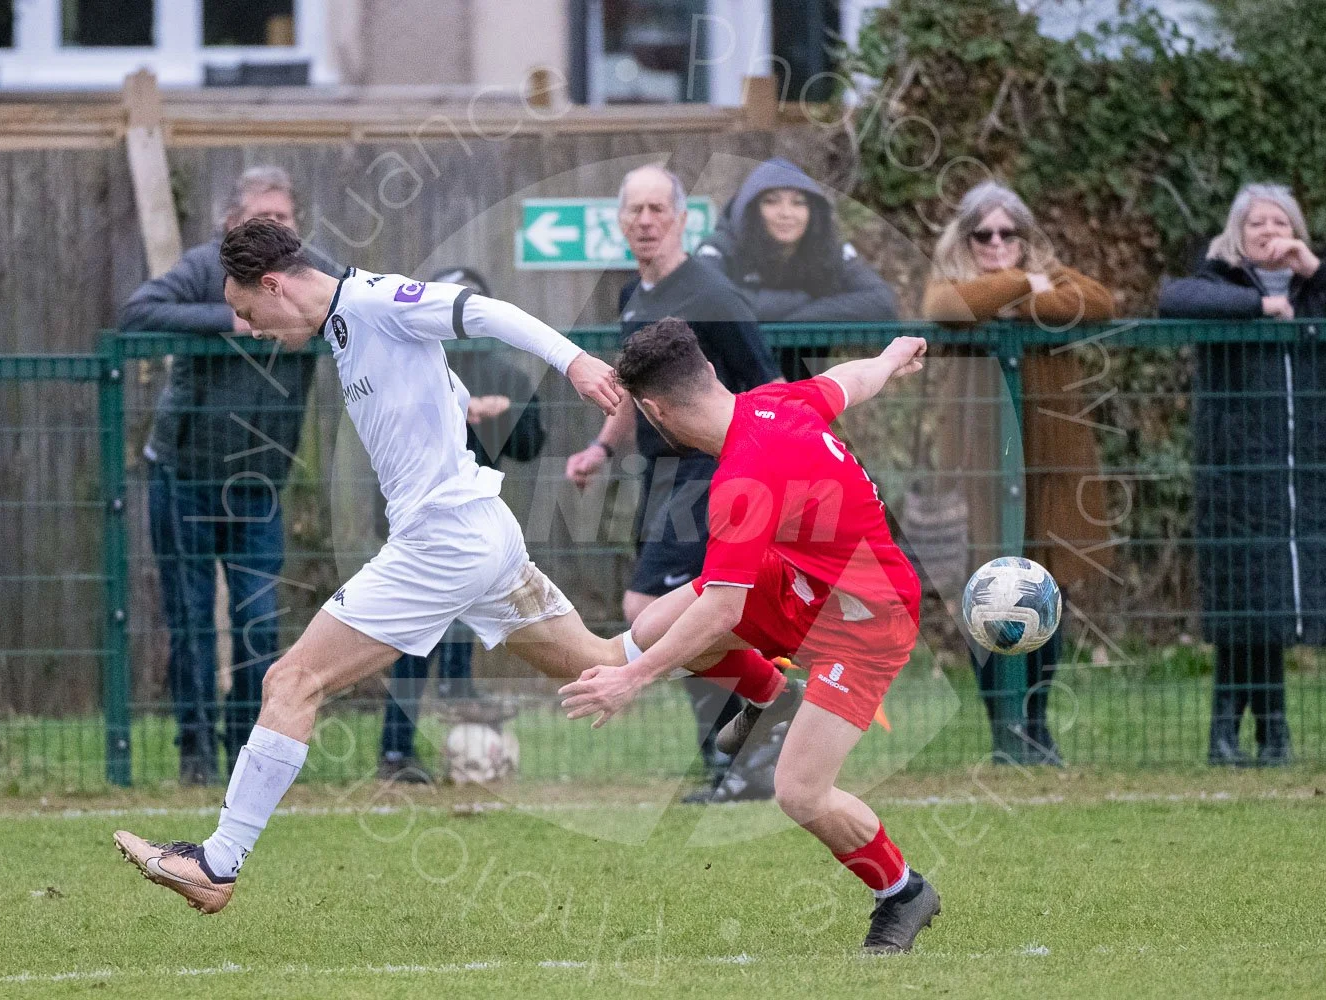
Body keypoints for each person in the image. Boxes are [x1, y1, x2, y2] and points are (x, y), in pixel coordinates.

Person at [114, 220, 786, 914]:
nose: (251, 329)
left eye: (251, 313)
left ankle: (217, 863)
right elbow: (427, 376)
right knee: (601, 657)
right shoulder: (345, 324)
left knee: (292, 680)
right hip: (480, 537)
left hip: (444, 543)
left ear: (276, 285)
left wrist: (573, 362)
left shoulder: (376, 302)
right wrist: (459, 400)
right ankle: (750, 624)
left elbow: (484, 312)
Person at [558, 320, 940, 954]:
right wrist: (890, 356)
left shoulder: (742, 480)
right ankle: (771, 697)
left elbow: (723, 613)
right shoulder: (773, 401)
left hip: (868, 621)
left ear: (652, 411)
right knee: (654, 621)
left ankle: (902, 892)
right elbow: (848, 381)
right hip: (801, 585)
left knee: (800, 792)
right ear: (709, 371)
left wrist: (634, 677)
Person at [1158, 182, 1326, 766]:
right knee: (1245, 604)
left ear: (1295, 230)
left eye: (1278, 223)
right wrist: (1257, 307)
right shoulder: (1219, 281)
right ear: (1237, 235)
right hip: (1237, 476)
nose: (1268, 233)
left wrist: (1316, 267)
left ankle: (1267, 737)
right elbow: (1177, 300)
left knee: (1271, 607)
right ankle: (1240, 735)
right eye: (1256, 225)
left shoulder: (1317, 287)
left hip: (1301, 475)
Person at [565, 164, 783, 802]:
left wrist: (754, 465)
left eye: (659, 208)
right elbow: (636, 388)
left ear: (683, 218)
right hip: (660, 473)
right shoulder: (635, 294)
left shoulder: (712, 296)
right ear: (621, 221)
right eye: (635, 210)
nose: (646, 220)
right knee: (685, 613)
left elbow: (767, 386)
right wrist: (602, 447)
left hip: (712, 468)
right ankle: (738, 753)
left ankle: (744, 741)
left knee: (649, 613)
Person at [120, 166, 324, 786]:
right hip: (184, 476)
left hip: (259, 485)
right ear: (232, 224)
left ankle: (246, 754)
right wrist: (232, 319)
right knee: (189, 626)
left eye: (283, 218)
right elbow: (139, 313)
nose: (275, 229)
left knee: (259, 622)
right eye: (261, 218)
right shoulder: (206, 267)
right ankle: (196, 756)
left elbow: (358, 312)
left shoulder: (314, 274)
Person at [921, 180, 1116, 765]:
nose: (999, 242)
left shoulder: (1058, 277)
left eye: (1012, 234)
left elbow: (1097, 302)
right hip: (977, 461)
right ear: (967, 238)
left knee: (1043, 591)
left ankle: (1038, 726)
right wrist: (1022, 287)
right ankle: (1003, 734)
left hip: (1049, 459)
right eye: (985, 234)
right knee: (987, 597)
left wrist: (1014, 297)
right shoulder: (955, 283)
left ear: (1028, 238)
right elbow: (946, 308)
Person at [377, 267, 548, 782]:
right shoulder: (409, 368)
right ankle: (395, 752)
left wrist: (503, 415)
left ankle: (463, 697)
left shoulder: (505, 373)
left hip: (480, 527)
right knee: (413, 636)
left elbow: (530, 444)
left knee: (482, 622)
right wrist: (455, 410)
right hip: (419, 521)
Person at [696, 157, 897, 381]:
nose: (786, 213)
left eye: (798, 202)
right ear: (750, 208)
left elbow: (880, 302)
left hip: (803, 391)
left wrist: (800, 319)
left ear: (813, 210)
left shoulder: (827, 248)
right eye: (771, 201)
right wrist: (800, 299)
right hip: (729, 387)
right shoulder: (721, 245)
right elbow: (709, 302)